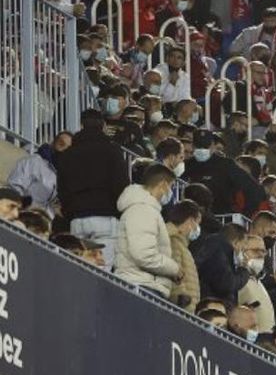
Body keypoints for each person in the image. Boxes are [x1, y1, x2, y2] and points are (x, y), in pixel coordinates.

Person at [55, 109, 130, 268]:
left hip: (77, 220)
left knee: (78, 269)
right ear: (103, 126)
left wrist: (70, 213)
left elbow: (62, 190)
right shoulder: (112, 151)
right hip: (106, 218)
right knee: (102, 272)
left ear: (81, 125)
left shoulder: (68, 154)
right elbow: (121, 185)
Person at [113, 164, 181, 297]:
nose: (170, 193)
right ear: (162, 184)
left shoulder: (148, 209)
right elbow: (144, 254)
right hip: (142, 286)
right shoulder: (143, 209)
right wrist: (174, 268)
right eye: (171, 186)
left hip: (144, 284)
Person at [164, 199, 202, 311]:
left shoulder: (182, 245)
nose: (198, 229)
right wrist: (183, 302)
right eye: (197, 223)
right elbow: (175, 277)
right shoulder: (173, 242)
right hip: (181, 309)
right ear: (190, 220)